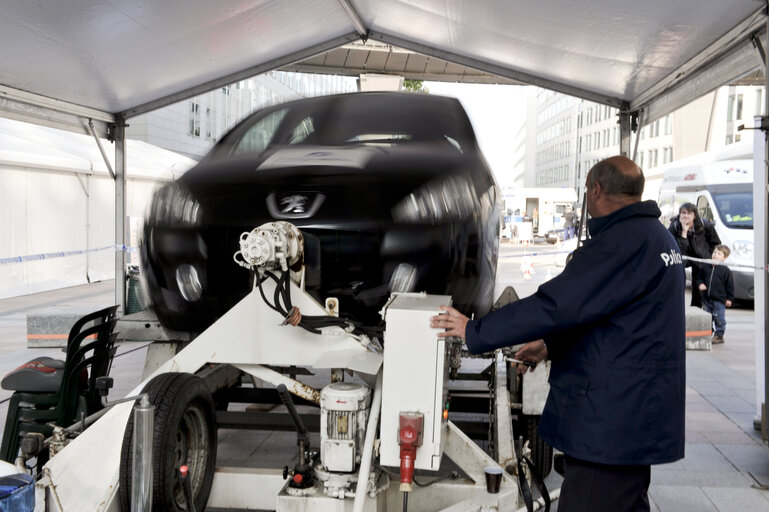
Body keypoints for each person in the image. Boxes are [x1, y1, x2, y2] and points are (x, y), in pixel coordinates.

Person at [430, 156, 685, 512]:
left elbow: (555, 305)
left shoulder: (618, 245)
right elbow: (613, 319)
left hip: (611, 423)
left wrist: (473, 330)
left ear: (595, 191)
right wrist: (549, 346)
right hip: (635, 416)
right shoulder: (658, 238)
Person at [668, 203, 721, 308]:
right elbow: (676, 251)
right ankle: (677, 307)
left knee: (699, 288)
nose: (686, 216)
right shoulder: (674, 228)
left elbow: (716, 243)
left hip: (702, 259)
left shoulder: (705, 225)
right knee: (678, 275)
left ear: (694, 216)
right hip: (684, 257)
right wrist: (684, 232)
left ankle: (697, 308)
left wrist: (711, 257)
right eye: (683, 213)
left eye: (689, 213)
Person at [696, 244, 734, 344]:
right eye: (714, 252)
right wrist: (700, 284)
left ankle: (719, 336)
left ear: (724, 258)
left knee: (719, 318)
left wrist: (729, 299)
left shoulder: (726, 271)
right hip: (706, 299)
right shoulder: (706, 267)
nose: (715, 255)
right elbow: (699, 278)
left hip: (719, 301)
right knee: (707, 318)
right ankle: (707, 333)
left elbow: (730, 286)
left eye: (719, 254)